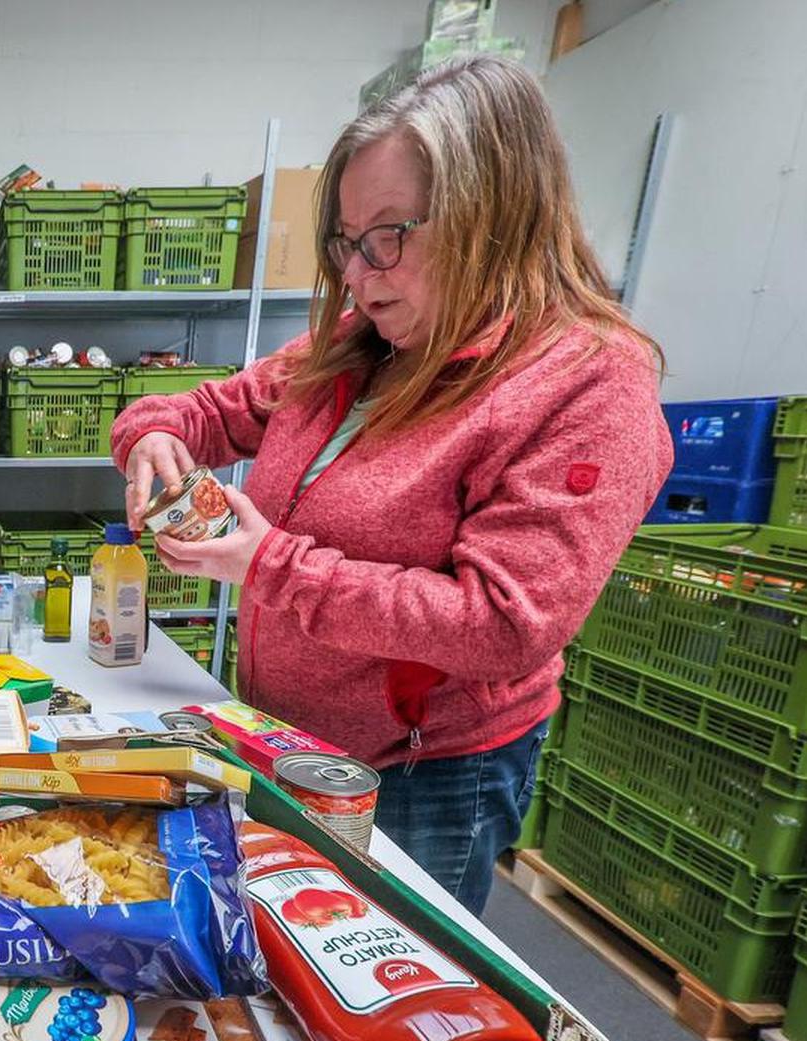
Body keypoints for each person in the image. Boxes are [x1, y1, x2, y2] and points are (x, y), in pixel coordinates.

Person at [113, 56, 671, 915]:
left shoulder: (589, 383)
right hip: (287, 732)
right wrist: (152, 433)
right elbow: (211, 409)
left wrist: (272, 564)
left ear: (497, 215)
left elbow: (502, 623)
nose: (362, 274)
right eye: (347, 241)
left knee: (382, 996)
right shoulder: (360, 341)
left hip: (421, 775)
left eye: (390, 236)